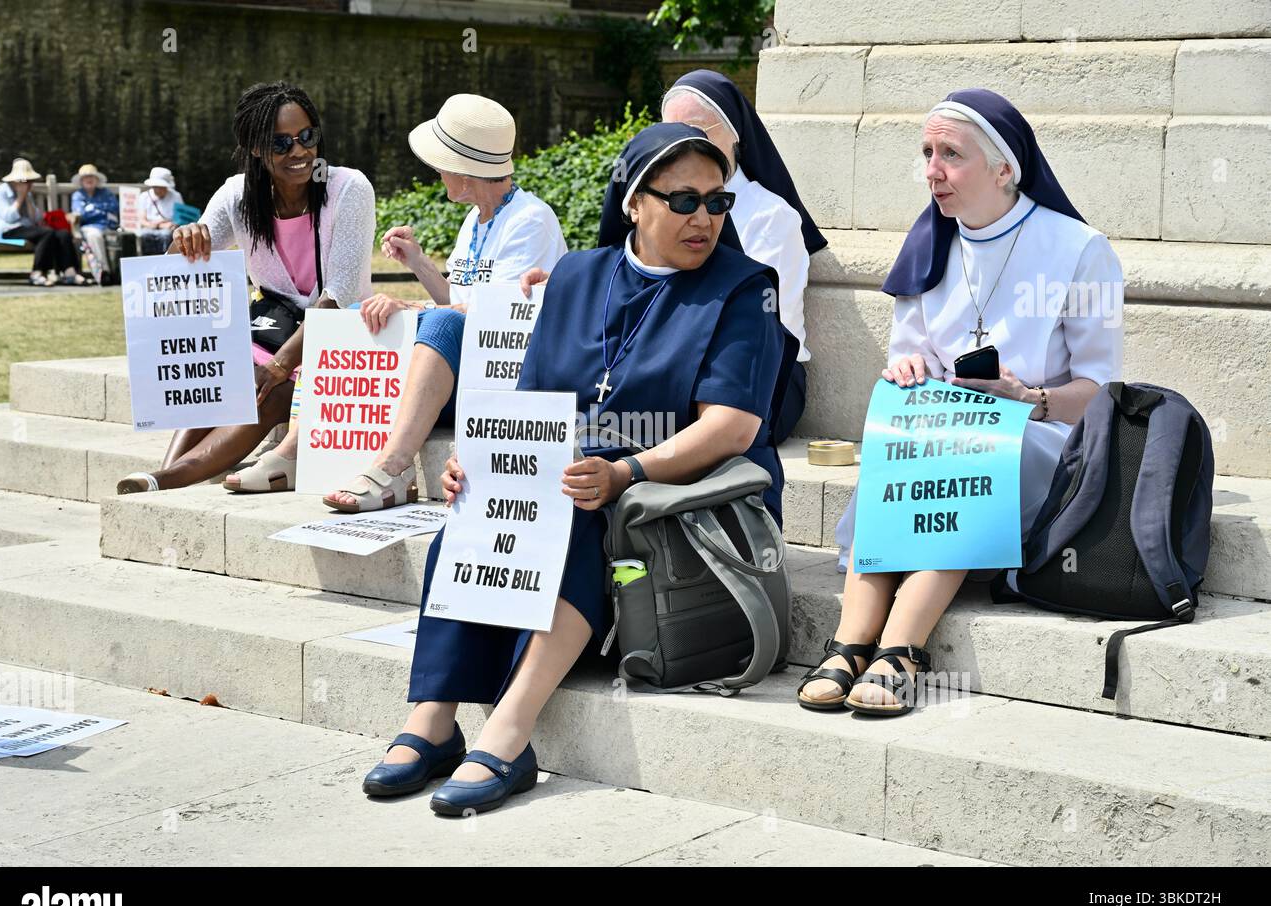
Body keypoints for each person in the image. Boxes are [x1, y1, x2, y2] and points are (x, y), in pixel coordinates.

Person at [360, 123, 795, 815]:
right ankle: (433, 719)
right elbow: (532, 403)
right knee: (479, 508)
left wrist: (625, 472)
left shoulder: (744, 288)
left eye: (718, 203)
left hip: (685, 496)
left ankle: (510, 726)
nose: (704, 219)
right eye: (684, 201)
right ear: (633, 202)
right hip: (583, 483)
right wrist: (483, 466)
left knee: (575, 508)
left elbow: (732, 428)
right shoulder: (576, 275)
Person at [797, 89, 1124, 716]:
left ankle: (900, 647)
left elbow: (1098, 393)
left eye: (951, 153)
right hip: (942, 431)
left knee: (964, 456)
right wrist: (907, 368)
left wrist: (1027, 397)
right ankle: (852, 642)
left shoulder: (1081, 250)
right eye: (926, 153)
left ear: (1006, 168)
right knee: (916, 447)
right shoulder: (928, 245)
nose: (932, 171)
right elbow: (905, 359)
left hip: (1041, 434)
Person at [226, 93, 567, 507]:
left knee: (431, 322)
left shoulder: (530, 220)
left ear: (464, 171)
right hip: (468, 365)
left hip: (503, 376)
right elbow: (462, 300)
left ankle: (394, 468)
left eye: (442, 166)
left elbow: (498, 317)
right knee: (351, 319)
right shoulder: (476, 219)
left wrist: (418, 309)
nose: (437, 174)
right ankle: (298, 449)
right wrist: (420, 263)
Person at [115, 81, 375, 495]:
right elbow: (178, 273)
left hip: (339, 335)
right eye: (281, 143)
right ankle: (164, 474)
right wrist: (185, 241)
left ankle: (167, 478)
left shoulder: (348, 189)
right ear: (256, 148)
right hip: (273, 326)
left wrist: (280, 365)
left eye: (307, 137)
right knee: (220, 371)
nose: (300, 151)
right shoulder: (238, 195)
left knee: (270, 392)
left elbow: (339, 294)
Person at [661, 69, 827, 439]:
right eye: (672, 133)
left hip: (763, 377)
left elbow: (757, 327)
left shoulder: (771, 217)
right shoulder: (657, 207)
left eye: (699, 131)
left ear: (734, 135)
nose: (685, 145)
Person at [0, 157, 86, 286]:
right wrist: (20, 197)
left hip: (27, 229)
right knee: (47, 233)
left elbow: (35, 219)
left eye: (31, 181)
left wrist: (27, 198)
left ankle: (70, 272)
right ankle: (37, 273)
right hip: (7, 231)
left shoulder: (28, 193)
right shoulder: (0, 192)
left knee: (63, 233)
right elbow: (9, 217)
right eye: (26, 180)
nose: (29, 184)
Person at [69, 163, 119, 283]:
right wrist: (101, 210)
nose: (89, 179)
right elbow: (80, 214)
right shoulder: (78, 195)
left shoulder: (105, 193)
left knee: (123, 237)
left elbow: (114, 208)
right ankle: (104, 271)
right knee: (94, 235)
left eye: (92, 177)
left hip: (109, 227)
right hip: (88, 228)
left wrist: (91, 209)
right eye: (85, 177)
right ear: (81, 181)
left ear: (97, 180)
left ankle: (119, 273)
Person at [136, 167, 183, 255]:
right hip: (150, 227)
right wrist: (158, 225)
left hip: (168, 230)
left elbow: (178, 219)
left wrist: (163, 224)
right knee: (145, 235)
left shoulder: (176, 196)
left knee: (165, 236)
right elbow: (142, 220)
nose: (158, 189)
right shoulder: (144, 196)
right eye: (156, 187)